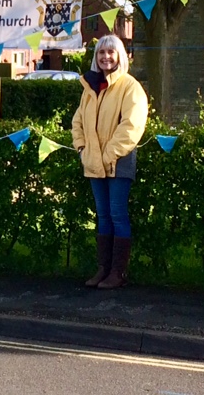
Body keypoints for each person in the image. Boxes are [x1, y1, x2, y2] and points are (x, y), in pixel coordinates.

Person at [71, 34, 148, 289]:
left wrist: (107, 155)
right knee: (102, 216)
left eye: (110, 52)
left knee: (117, 214)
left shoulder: (130, 87)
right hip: (94, 161)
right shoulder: (90, 88)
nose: (106, 57)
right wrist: (82, 149)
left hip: (119, 161)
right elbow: (78, 122)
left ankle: (118, 273)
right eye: (101, 53)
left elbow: (131, 126)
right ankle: (102, 269)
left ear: (120, 56)